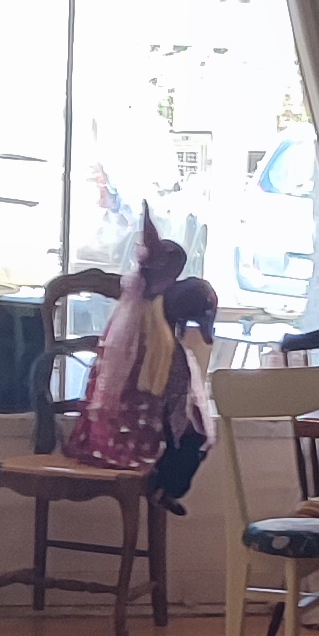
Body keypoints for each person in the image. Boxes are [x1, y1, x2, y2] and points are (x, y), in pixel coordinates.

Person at [62, 209, 218, 510]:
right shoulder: (158, 340)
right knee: (194, 440)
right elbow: (171, 396)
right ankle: (167, 487)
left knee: (188, 433)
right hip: (140, 434)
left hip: (109, 432)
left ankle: (165, 486)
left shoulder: (123, 329)